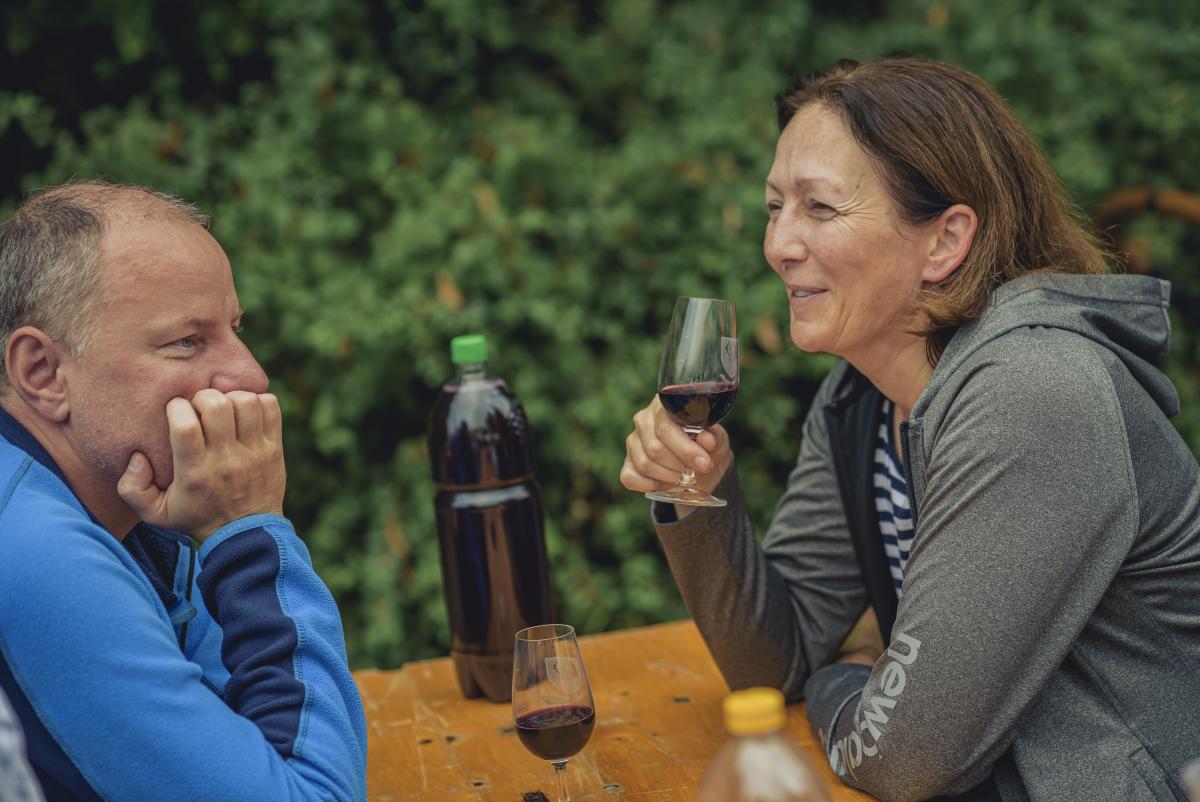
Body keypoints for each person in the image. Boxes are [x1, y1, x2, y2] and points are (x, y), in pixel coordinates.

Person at [621, 57, 1200, 802]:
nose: (778, 244)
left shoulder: (1036, 393)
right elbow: (773, 662)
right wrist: (694, 493)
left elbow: (906, 758)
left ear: (944, 241)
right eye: (774, 207)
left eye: (819, 208)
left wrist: (843, 679)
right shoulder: (858, 400)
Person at [0, 181, 367, 801]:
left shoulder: (117, 501)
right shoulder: (37, 552)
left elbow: (246, 732)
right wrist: (249, 533)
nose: (251, 375)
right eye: (186, 341)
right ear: (43, 373)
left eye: (234, 329)